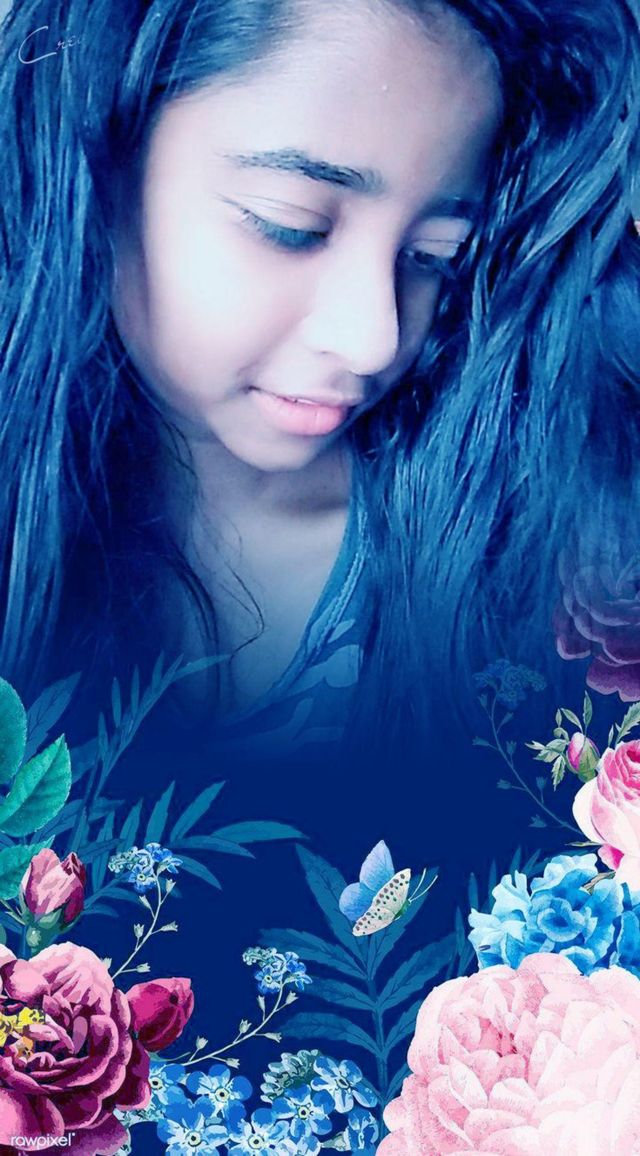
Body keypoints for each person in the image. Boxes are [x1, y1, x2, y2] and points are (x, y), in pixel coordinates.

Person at [0, 0, 638, 760]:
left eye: (435, 257)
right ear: (102, 172)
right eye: (291, 225)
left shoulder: (552, 569)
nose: (374, 340)